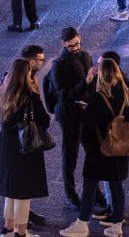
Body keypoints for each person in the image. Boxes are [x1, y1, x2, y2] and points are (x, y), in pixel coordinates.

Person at [59, 59, 129, 237]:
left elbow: (87, 127)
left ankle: (82, 224)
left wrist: (92, 145)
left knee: (89, 187)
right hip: (119, 149)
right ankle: (116, 226)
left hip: (98, 150)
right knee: (117, 187)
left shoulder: (96, 98)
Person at [0, 58, 51, 237]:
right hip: (24, 145)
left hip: (6, 145)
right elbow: (44, 120)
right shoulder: (29, 95)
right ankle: (21, 232)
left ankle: (8, 228)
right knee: (23, 192)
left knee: (11, 189)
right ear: (26, 74)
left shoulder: (2, 90)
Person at [52, 27, 96, 211]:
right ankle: (70, 195)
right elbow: (63, 95)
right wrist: (85, 82)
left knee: (93, 153)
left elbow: (92, 84)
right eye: (71, 46)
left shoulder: (85, 56)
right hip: (69, 115)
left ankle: (95, 193)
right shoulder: (59, 65)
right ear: (64, 44)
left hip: (87, 113)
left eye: (78, 43)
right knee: (70, 157)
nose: (76, 48)